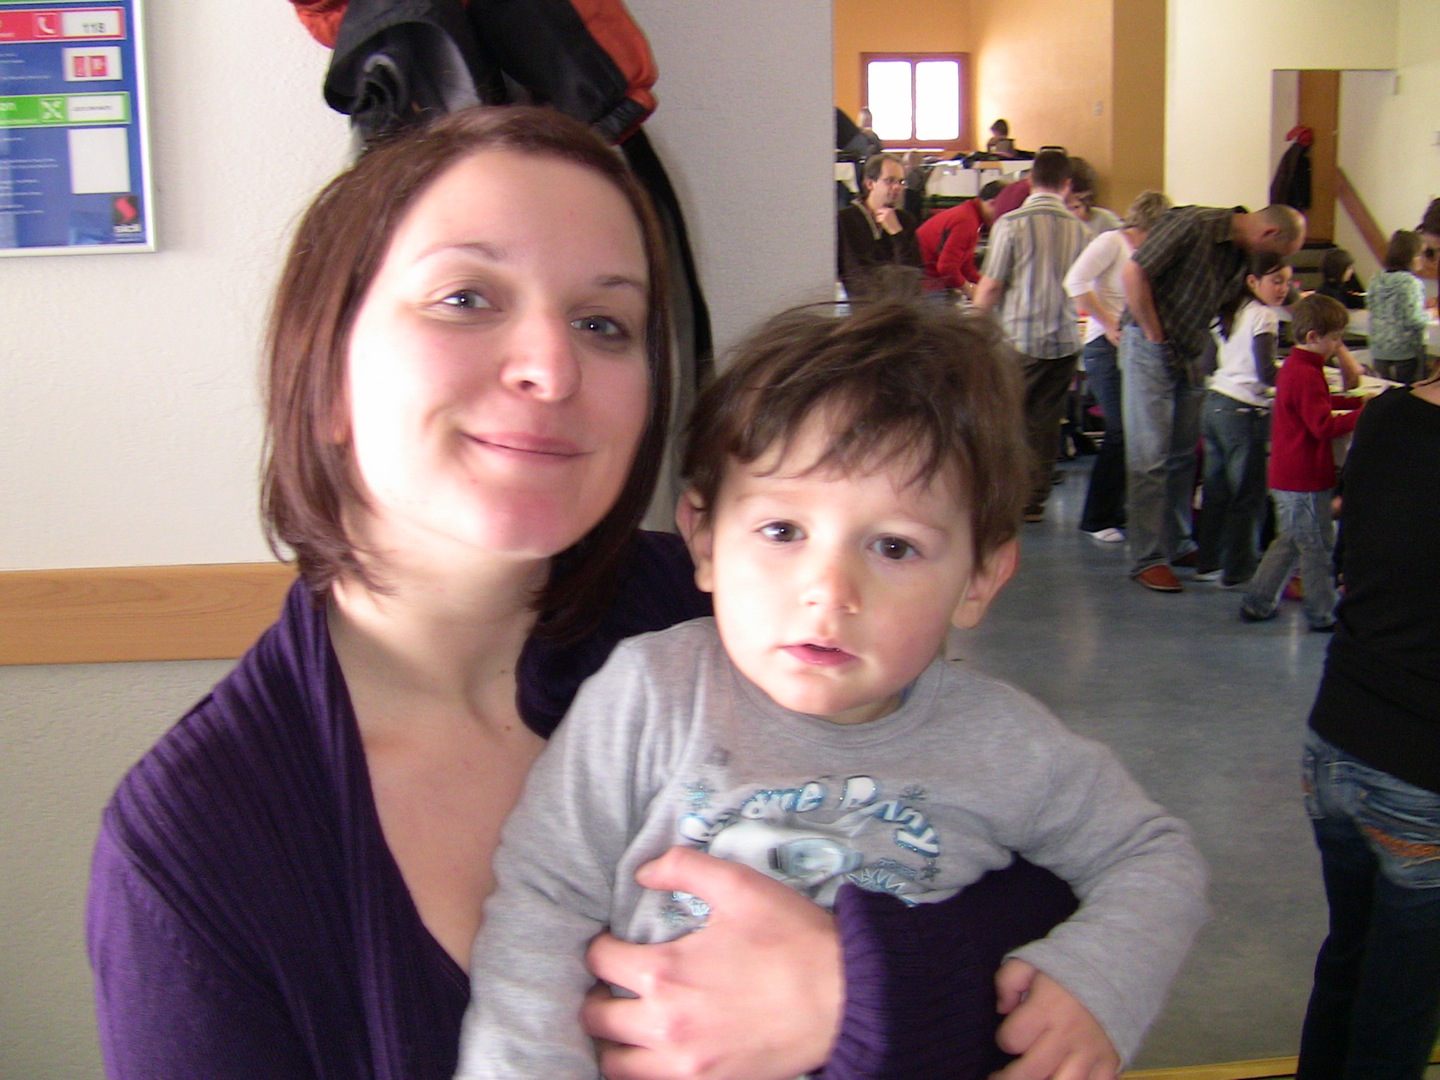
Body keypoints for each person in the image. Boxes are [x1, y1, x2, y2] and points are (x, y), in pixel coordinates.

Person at [85, 106, 1067, 1080]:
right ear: (327, 372)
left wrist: (863, 994)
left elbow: (1059, 896)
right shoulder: (200, 842)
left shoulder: (743, 612)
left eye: (604, 324)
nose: (552, 370)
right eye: (466, 297)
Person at [458, 296, 1208, 1079]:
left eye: (894, 546)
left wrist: (1095, 982)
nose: (829, 591)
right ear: (704, 540)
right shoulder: (648, 695)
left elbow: (1154, 857)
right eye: (783, 531)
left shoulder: (1008, 742)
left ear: (981, 578)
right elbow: (544, 901)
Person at [1294, 366, 1440, 1079]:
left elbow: (1352, 559)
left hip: (1336, 740)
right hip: (1420, 770)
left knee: (1350, 957)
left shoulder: (1386, 417)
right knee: (1398, 1010)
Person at [1119, 203, 1307, 593]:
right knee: (1150, 456)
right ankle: (1147, 558)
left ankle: (1177, 543)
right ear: (1269, 234)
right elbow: (1134, 272)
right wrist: (1154, 335)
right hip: (1149, 345)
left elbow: (1246, 302)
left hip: (1188, 350)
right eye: (1279, 255)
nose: (1276, 264)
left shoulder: (1241, 254)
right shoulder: (1194, 225)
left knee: (1183, 455)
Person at [972, 148, 1090, 523]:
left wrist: (972, 328)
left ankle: (1004, 497)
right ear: (1066, 184)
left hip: (1019, 338)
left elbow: (991, 285)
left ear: (1030, 180)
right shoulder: (1081, 229)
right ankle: (1035, 499)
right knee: (1046, 421)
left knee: (1009, 420)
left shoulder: (1011, 224)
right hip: (1065, 339)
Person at [1240, 295, 1363, 629]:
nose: (1337, 345)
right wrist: (1362, 415)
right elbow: (1321, 425)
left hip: (1291, 474)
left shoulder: (1297, 367)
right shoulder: (1307, 373)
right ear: (1313, 337)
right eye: (1334, 339)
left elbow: (1314, 404)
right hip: (1303, 477)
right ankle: (1322, 613)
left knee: (1292, 541)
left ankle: (1258, 601)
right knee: (1317, 546)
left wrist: (1351, 403)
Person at [1063, 190, 1172, 543]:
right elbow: (1075, 282)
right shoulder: (1112, 242)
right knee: (1120, 430)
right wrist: (1110, 324)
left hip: (1132, 347)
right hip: (1104, 346)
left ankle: (1117, 507)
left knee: (1134, 431)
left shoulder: (1149, 251)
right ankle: (1095, 517)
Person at [1193, 251, 1292, 589]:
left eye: (1287, 282)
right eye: (1276, 281)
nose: (1283, 289)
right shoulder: (1264, 316)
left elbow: (1208, 364)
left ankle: (1209, 562)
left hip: (1215, 404)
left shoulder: (1229, 310)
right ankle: (1239, 570)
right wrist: (1294, 378)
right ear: (1253, 281)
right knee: (1247, 495)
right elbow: (1266, 373)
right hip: (1244, 412)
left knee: (1216, 491)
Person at [836, 152, 923, 299]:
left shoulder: (905, 220)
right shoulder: (845, 219)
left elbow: (913, 274)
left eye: (901, 182)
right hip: (862, 305)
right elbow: (855, 272)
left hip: (901, 303)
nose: (897, 187)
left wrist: (897, 234)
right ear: (870, 184)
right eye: (890, 181)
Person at [916, 179, 1002, 297]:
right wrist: (970, 290)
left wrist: (985, 285)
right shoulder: (967, 221)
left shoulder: (969, 215)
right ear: (992, 203)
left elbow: (966, 266)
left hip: (928, 279)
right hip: (927, 283)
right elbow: (946, 267)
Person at [1366, 229, 1430, 385]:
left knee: (1383, 388)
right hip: (1405, 350)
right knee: (1405, 390)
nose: (1423, 259)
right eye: (1420, 254)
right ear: (1410, 257)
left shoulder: (1376, 279)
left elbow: (1371, 305)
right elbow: (1414, 319)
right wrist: (1430, 315)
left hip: (1379, 347)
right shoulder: (1411, 283)